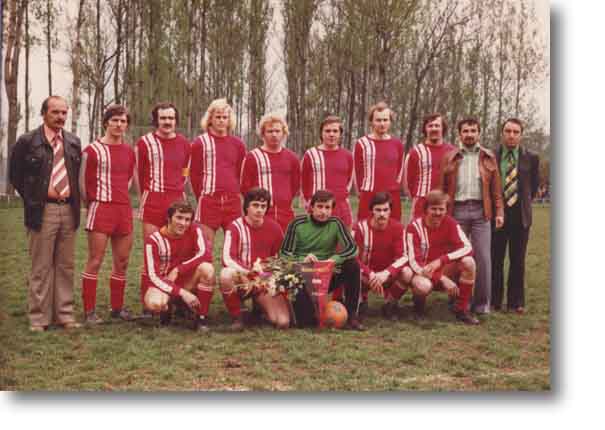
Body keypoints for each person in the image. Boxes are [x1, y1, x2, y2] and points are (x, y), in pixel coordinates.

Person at [9, 96, 82, 332]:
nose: (60, 117)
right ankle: (39, 318)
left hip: (68, 209)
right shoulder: (27, 141)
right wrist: (33, 197)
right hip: (43, 209)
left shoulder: (73, 142)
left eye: (64, 112)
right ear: (44, 114)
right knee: (41, 266)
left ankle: (65, 315)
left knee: (65, 265)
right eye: (55, 112)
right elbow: (15, 175)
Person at [440, 118, 504, 315]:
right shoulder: (450, 157)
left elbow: (496, 190)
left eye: (473, 131)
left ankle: (481, 304)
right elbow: (442, 188)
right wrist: (441, 210)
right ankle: (458, 301)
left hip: (480, 211)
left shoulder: (488, 157)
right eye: (465, 131)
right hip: (456, 211)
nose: (469, 134)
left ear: (479, 133)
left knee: (483, 258)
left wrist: (499, 212)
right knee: (456, 258)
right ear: (459, 134)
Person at [79, 105, 136, 324]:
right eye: (115, 121)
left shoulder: (129, 151)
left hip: (123, 208)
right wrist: (90, 204)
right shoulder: (92, 150)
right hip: (101, 207)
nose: (119, 125)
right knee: (95, 260)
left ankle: (117, 308)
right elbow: (83, 182)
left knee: (122, 261)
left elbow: (129, 179)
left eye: (123, 121)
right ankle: (89, 311)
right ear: (106, 123)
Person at [280, 190, 364, 330]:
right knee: (306, 323)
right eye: (319, 207)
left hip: (327, 274)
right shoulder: (297, 224)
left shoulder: (336, 223)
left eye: (327, 208)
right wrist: (303, 259)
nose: (323, 212)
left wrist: (333, 260)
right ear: (311, 207)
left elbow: (353, 248)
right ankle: (308, 312)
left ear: (332, 209)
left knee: (352, 265)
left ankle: (352, 317)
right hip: (303, 276)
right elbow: (284, 254)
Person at [135, 102, 191, 310]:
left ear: (176, 120)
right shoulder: (144, 142)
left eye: (171, 118)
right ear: (156, 120)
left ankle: (177, 299)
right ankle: (147, 300)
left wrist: (178, 190)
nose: (167, 122)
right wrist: (146, 196)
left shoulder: (185, 144)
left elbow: (185, 171)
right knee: (152, 252)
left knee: (179, 252)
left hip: (177, 199)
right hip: (153, 201)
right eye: (163, 118)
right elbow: (140, 173)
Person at [219, 188, 290, 331]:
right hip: (243, 278)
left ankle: (259, 309)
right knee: (226, 274)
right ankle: (238, 317)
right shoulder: (235, 227)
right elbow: (227, 258)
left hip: (264, 280)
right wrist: (249, 272)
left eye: (263, 206)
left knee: (282, 322)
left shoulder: (274, 227)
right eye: (255, 205)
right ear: (246, 207)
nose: (259, 210)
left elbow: (281, 258)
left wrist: (268, 275)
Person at [405, 190, 479, 325]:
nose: (438, 213)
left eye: (441, 209)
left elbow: (468, 247)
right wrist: (441, 278)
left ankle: (461, 309)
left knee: (469, 262)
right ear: (426, 209)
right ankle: (418, 309)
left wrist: (442, 260)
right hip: (422, 272)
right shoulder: (413, 227)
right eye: (434, 209)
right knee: (423, 286)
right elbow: (414, 262)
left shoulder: (451, 223)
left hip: (442, 267)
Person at [142, 201, 215, 331]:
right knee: (155, 303)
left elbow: (205, 254)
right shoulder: (153, 240)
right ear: (169, 218)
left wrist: (179, 269)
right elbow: (153, 276)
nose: (183, 223)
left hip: (185, 281)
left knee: (207, 269)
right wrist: (182, 293)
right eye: (179, 218)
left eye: (187, 219)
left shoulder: (195, 229)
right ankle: (167, 310)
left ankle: (201, 318)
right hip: (164, 284)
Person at [491, 118, 540, 314]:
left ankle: (515, 302)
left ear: (521, 134)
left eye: (515, 132)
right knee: (495, 259)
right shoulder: (492, 155)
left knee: (517, 260)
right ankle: (494, 300)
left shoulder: (531, 158)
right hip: (498, 214)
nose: (511, 135)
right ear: (502, 133)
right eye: (508, 131)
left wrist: (524, 203)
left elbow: (534, 186)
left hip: (520, 216)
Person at [190, 98, 246, 253]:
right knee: (204, 249)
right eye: (218, 117)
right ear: (210, 119)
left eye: (225, 117)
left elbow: (241, 173)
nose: (221, 121)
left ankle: (230, 277)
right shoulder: (200, 143)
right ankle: (207, 277)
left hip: (232, 201)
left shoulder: (238, 144)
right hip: (209, 200)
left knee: (236, 248)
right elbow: (194, 174)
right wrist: (201, 196)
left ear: (229, 120)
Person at [352, 192, 412, 320]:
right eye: (378, 210)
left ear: (390, 210)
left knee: (407, 273)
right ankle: (361, 301)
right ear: (372, 211)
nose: (382, 214)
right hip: (367, 276)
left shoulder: (398, 228)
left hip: (387, 276)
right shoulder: (359, 228)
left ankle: (390, 304)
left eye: (385, 210)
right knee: (351, 269)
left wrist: (386, 273)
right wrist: (371, 274)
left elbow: (404, 257)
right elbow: (352, 257)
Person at [241, 113, 300, 231]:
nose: (274, 134)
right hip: (261, 214)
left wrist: (284, 199)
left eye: (277, 131)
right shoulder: (253, 157)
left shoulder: (292, 158)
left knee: (285, 247)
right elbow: (245, 186)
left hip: (286, 213)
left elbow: (295, 184)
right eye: (270, 131)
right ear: (263, 134)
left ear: (284, 133)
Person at [353, 101, 406, 221]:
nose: (382, 124)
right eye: (378, 120)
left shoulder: (397, 144)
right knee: (366, 230)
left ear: (390, 121)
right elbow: (357, 170)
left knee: (392, 230)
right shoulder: (362, 143)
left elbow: (399, 170)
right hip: (369, 194)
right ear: (371, 122)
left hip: (391, 195)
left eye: (385, 120)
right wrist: (361, 193)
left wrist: (394, 188)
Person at [301, 115, 354, 228]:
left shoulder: (347, 156)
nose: (331, 134)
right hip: (319, 208)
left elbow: (349, 180)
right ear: (321, 133)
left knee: (342, 243)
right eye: (327, 131)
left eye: (335, 131)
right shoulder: (311, 154)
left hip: (340, 207)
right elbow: (303, 181)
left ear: (340, 134)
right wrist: (307, 203)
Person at [405, 113, 456, 220]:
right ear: (425, 129)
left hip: (443, 204)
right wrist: (416, 198)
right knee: (418, 234)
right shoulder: (416, 151)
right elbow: (408, 181)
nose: (434, 129)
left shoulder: (452, 151)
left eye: (437, 126)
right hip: (421, 202)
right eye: (430, 126)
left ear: (443, 129)